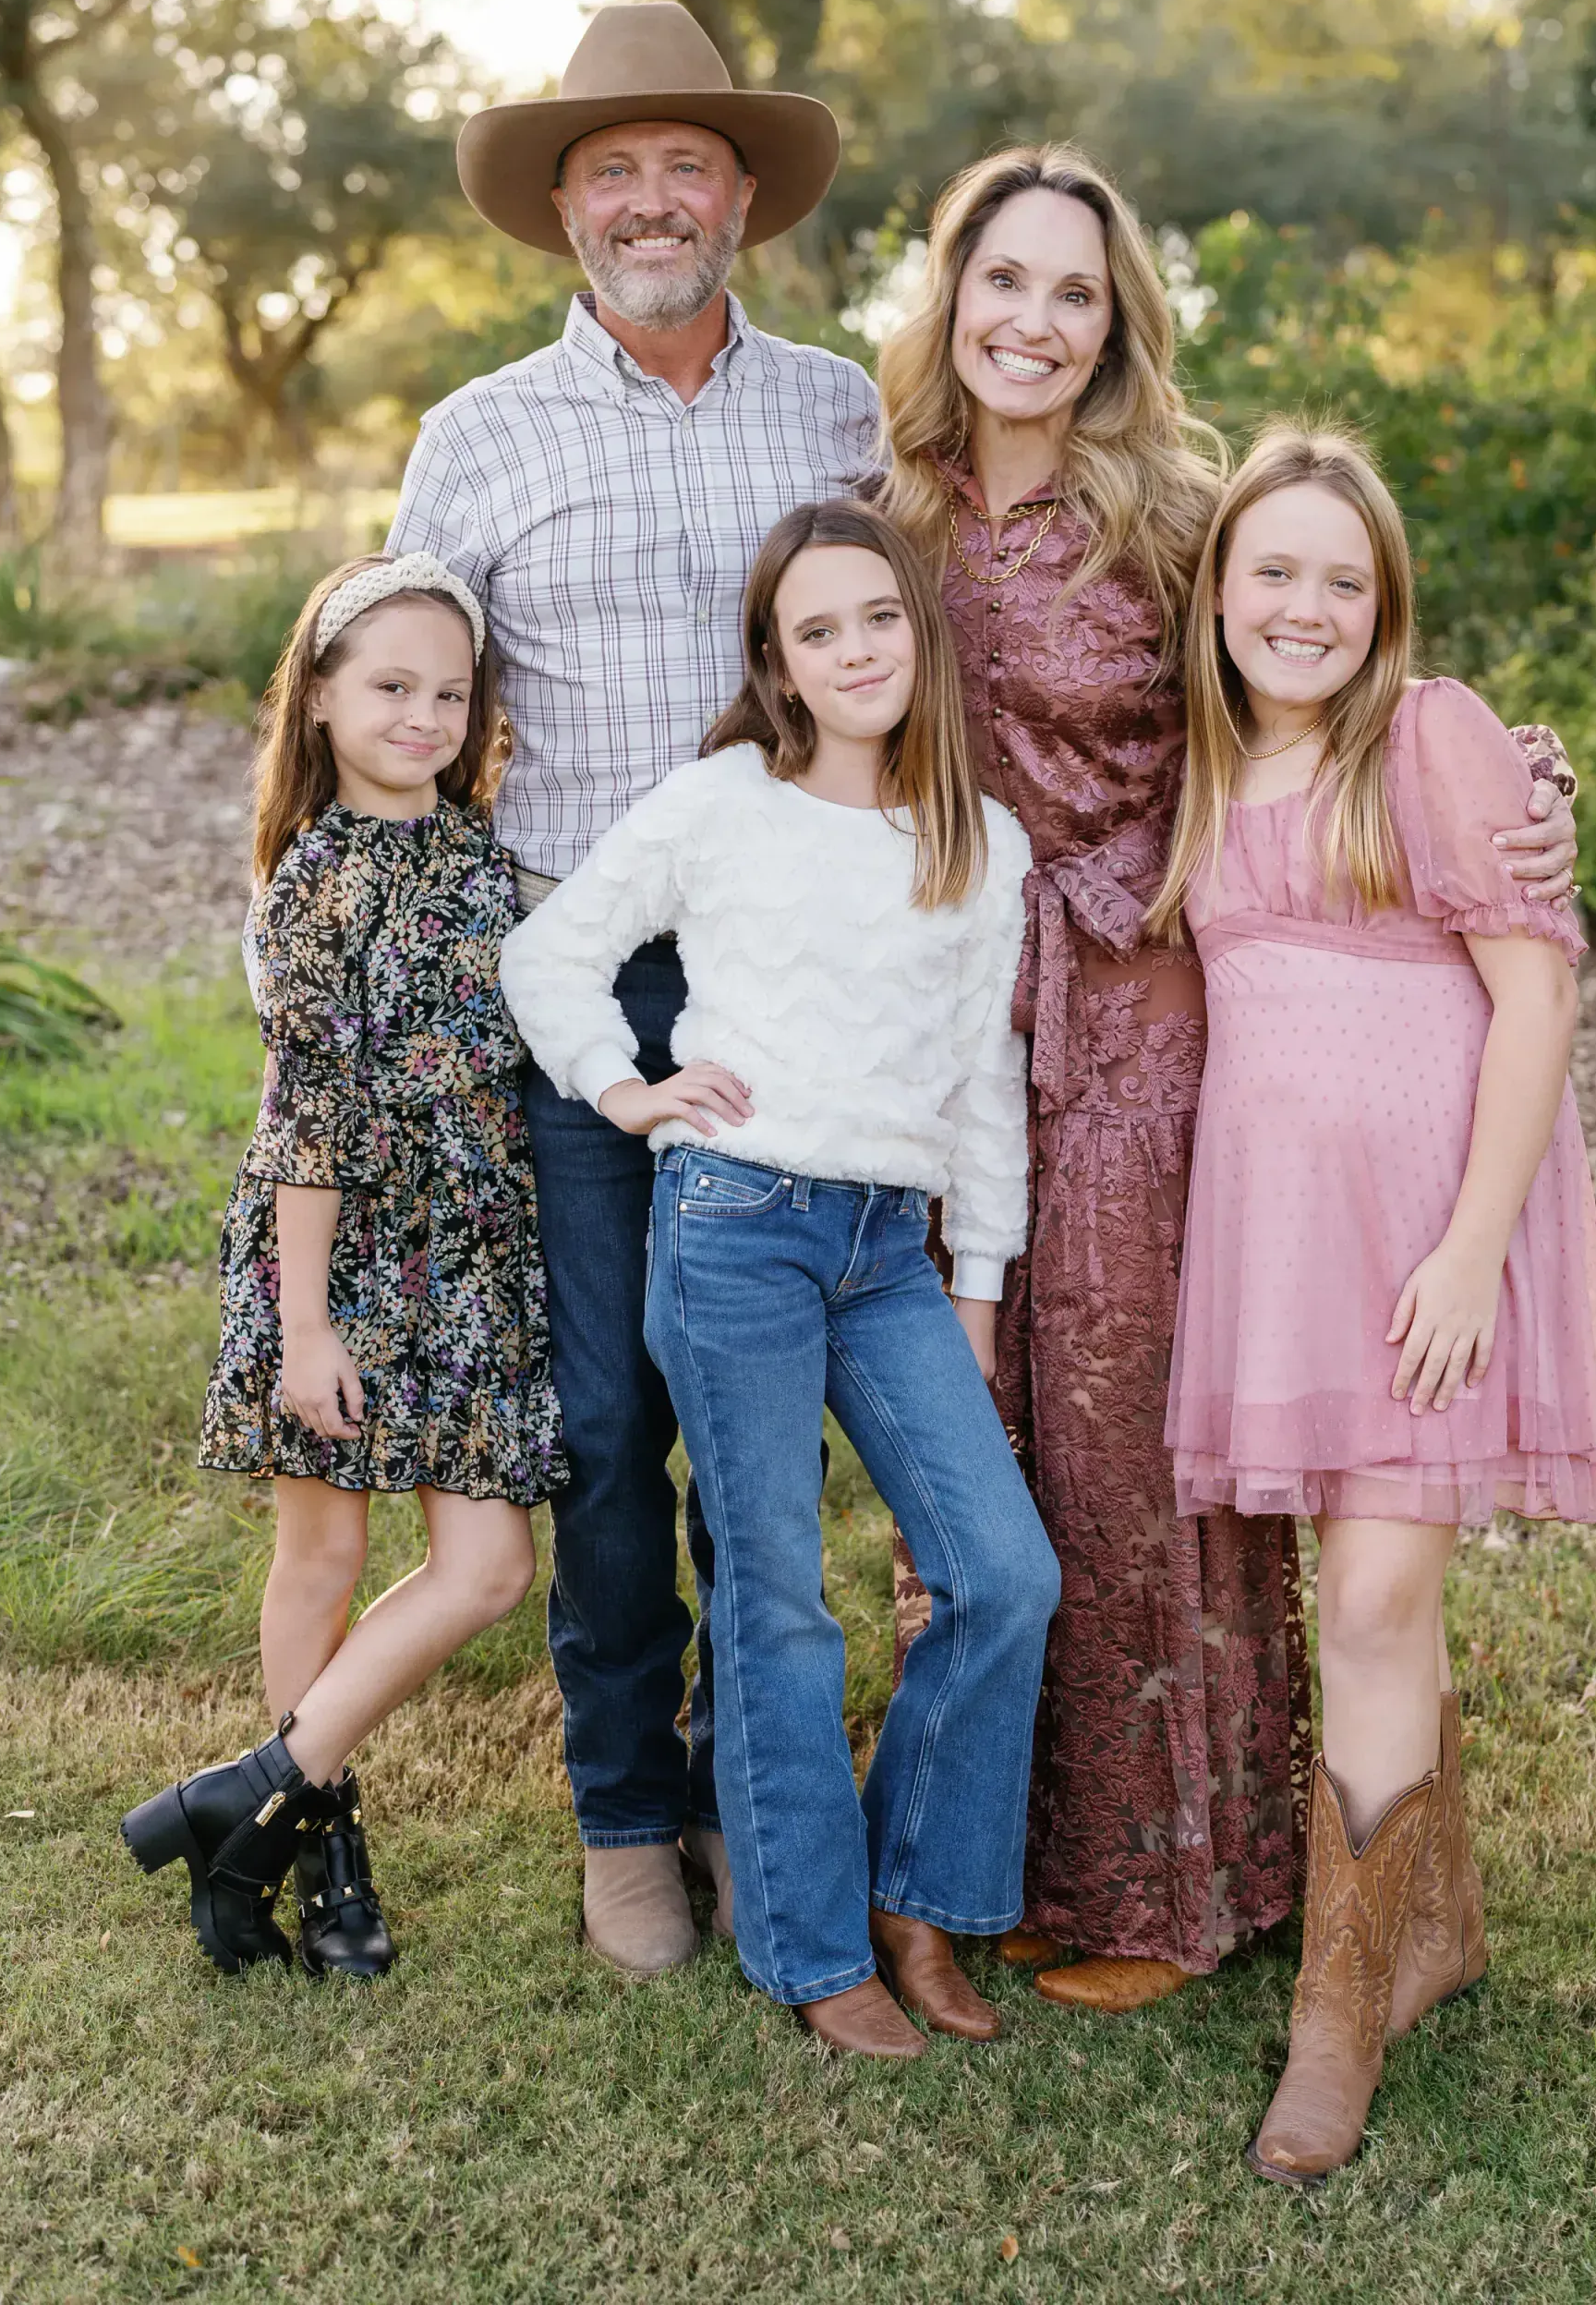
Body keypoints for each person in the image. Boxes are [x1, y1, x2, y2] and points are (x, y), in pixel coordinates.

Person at [877, 146, 1585, 2014]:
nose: (1034, 319)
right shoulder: (887, 514)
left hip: (1160, 1017)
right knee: (976, 1432)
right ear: (949, 293)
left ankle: (1181, 1877)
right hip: (956, 1030)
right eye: (1002, 280)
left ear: (1119, 330)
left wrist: (1514, 787)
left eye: (1075, 293)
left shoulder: (1175, 511)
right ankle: (985, 1854)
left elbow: (1328, 662)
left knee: (1142, 1470)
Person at [386, 3, 877, 1976]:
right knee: (602, 1423)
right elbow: (393, 721)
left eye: (688, 162)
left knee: (762, 1412)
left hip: (789, 984)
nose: (654, 197)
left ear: (741, 193)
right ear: (564, 210)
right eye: (615, 170)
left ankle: (753, 1782)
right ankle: (623, 1808)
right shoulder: (478, 436)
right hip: (572, 989)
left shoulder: (845, 411)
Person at [500, 501, 1059, 2058]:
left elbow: (981, 1087)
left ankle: (919, 1896)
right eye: (819, 631)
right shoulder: (722, 802)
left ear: (917, 631)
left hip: (889, 1251)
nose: (857, 647)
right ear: (781, 663)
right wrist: (627, 1088)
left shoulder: (978, 840)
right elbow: (549, 953)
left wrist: (982, 1287)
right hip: (737, 1226)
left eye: (879, 616)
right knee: (782, 1599)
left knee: (1003, 1573)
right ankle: (812, 1947)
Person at [1154, 423, 1596, 2185]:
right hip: (1282, 1243)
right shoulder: (1204, 768)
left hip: (1434, 1231)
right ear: (1217, 593)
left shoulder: (1429, 736)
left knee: (1369, 1593)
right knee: (1359, 1591)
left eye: (1344, 579)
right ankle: (1433, 1921)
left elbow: (1536, 995)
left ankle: (1340, 2008)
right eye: (1272, 569)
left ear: (1388, 604)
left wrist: (1469, 1242)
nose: (1307, 605)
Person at [122, 553, 565, 1979]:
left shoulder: (488, 860)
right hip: (340, 1255)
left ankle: (239, 1800)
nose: (425, 713)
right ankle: (319, 1843)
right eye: (390, 685)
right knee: (323, 1551)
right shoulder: (310, 884)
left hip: (473, 1258)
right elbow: (306, 1113)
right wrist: (305, 1325)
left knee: (487, 1567)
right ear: (316, 696)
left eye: (449, 691)